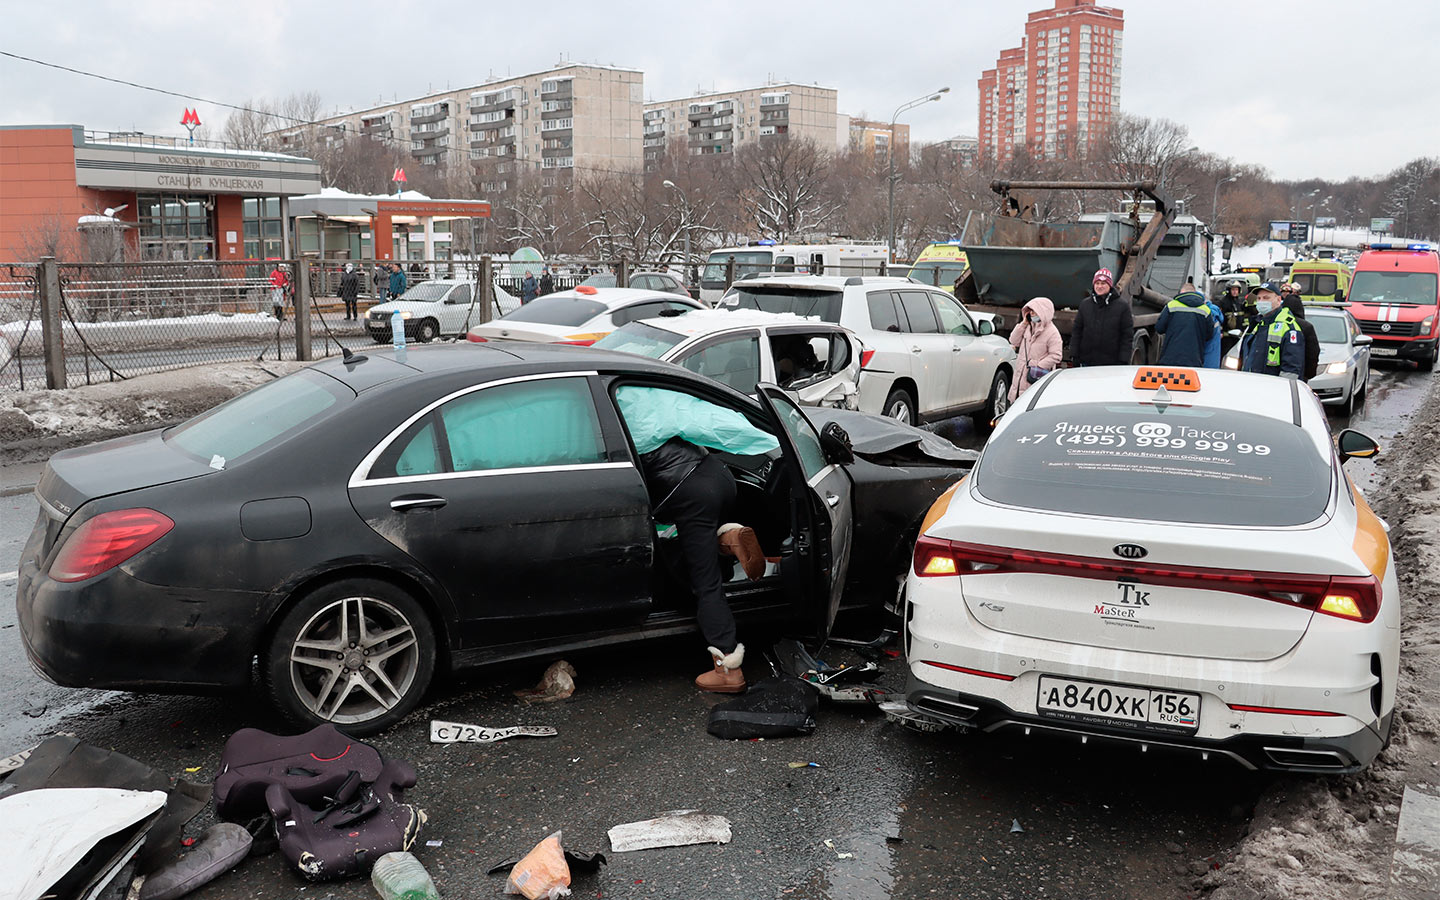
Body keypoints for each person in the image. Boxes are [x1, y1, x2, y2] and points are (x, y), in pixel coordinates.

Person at [614, 385, 779, 693]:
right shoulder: (644, 396)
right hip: (715, 476)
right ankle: (727, 539)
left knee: (705, 581)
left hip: (690, 493)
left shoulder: (615, 413)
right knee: (685, 545)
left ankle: (728, 668)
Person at [1069, 267, 1134, 366]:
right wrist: (1074, 354)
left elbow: (1127, 335)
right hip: (1087, 361)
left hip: (1111, 363)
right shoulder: (1085, 304)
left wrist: (1123, 359)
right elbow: (1077, 331)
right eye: (1097, 283)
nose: (1099, 286)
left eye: (1103, 283)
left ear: (1110, 285)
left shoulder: (1122, 306)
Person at [1238, 282, 1304, 378]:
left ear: (1278, 300)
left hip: (1272, 388)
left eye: (1266, 298)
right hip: (1251, 384)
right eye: (1259, 298)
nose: (1261, 302)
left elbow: (1291, 369)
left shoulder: (1289, 328)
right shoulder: (1257, 324)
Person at [1007, 297, 1062, 400]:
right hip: (1019, 377)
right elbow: (1013, 341)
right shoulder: (1028, 326)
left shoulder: (1052, 332)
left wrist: (1038, 366)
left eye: (1034, 311)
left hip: (1035, 377)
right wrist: (1023, 324)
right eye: (1030, 311)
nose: (1031, 313)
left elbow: (1056, 355)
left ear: (1043, 312)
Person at [1155, 286, 1212, 367]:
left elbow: (1159, 328)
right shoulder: (1205, 309)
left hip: (1170, 358)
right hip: (1195, 359)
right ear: (1194, 293)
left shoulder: (1171, 306)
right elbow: (1209, 334)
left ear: (1181, 292)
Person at [1281, 287, 1321, 381]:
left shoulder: (1278, 324)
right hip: (1300, 375)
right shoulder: (1306, 327)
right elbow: (1313, 353)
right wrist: (1308, 374)